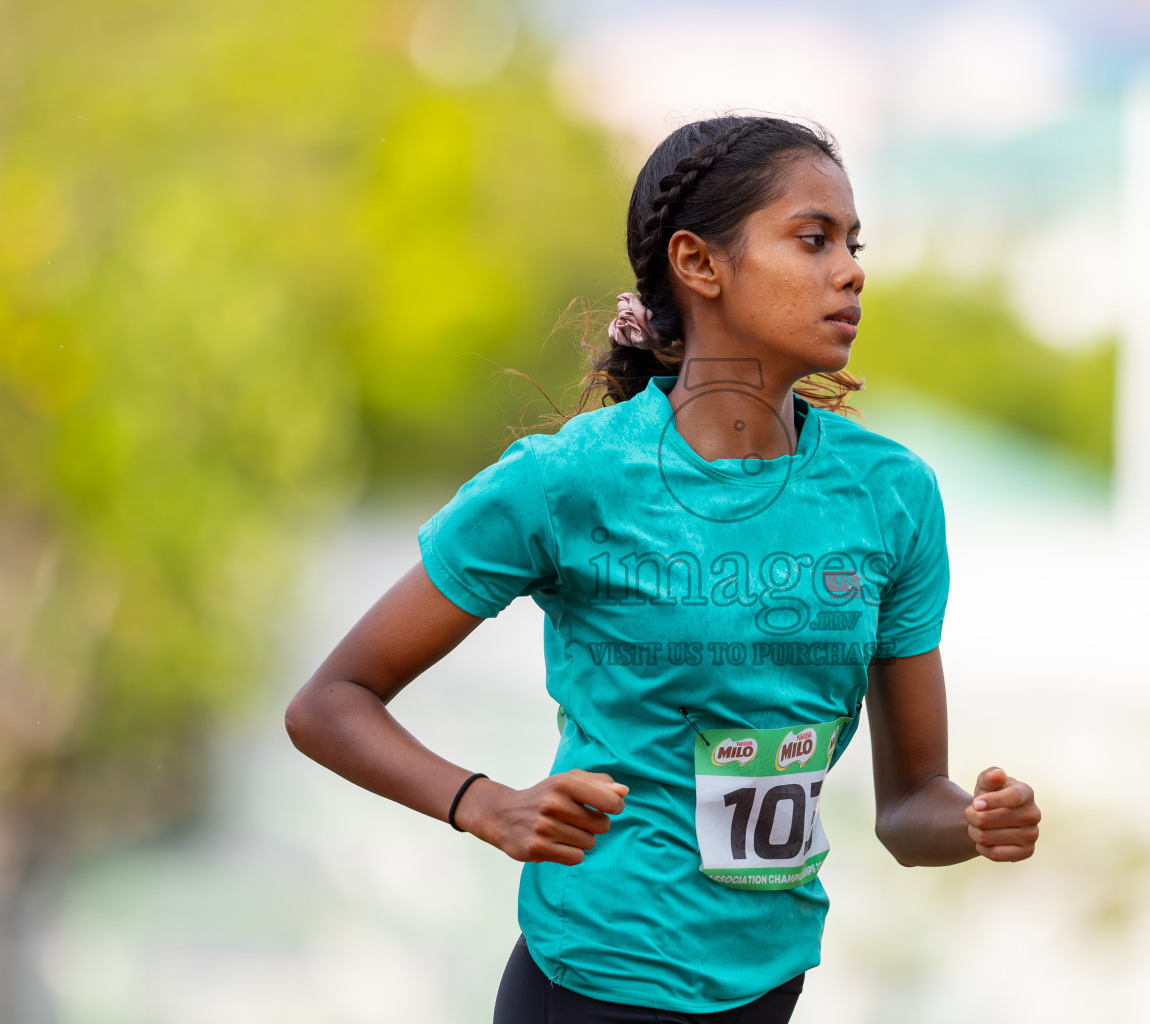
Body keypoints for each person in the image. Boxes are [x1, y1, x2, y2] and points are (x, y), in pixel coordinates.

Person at [284, 114, 1041, 1024]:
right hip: (596, 986)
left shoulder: (892, 496)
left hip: (769, 991)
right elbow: (330, 703)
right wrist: (482, 806)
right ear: (699, 263)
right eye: (812, 239)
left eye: (852, 242)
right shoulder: (568, 482)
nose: (851, 270)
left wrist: (968, 824)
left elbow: (909, 806)